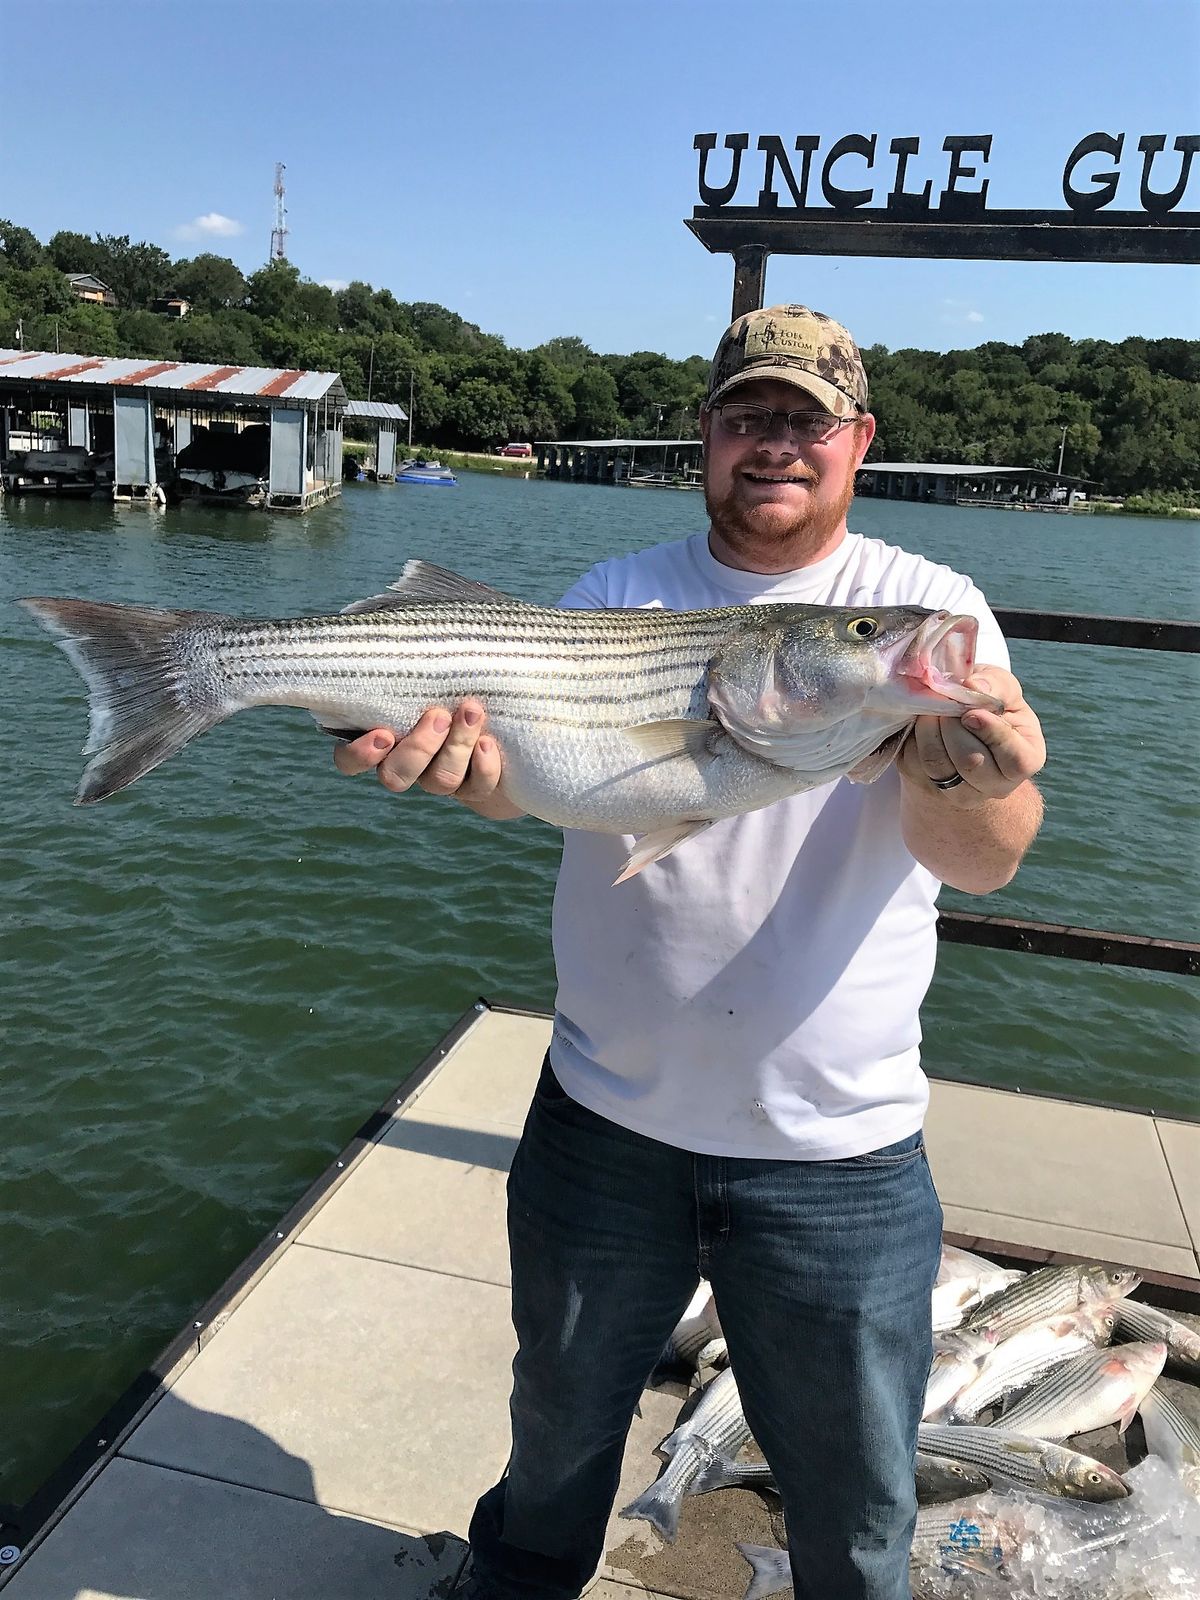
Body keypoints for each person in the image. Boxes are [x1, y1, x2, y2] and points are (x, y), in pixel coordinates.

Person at [334, 305, 1046, 1600]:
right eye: (747, 416)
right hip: (602, 1119)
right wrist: (469, 779)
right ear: (705, 437)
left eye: (806, 421)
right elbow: (537, 787)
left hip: (836, 1149)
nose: (775, 443)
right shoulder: (620, 594)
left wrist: (955, 766)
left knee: (858, 1491)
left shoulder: (929, 611)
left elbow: (987, 857)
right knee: (554, 1439)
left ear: (859, 441)